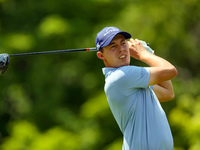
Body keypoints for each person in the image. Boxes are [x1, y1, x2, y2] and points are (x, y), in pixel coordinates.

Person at [95, 27, 178, 150]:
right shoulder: (121, 76)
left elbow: (168, 93)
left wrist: (150, 54)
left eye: (123, 43)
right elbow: (171, 71)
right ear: (101, 55)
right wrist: (144, 54)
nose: (121, 49)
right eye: (113, 46)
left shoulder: (133, 80)